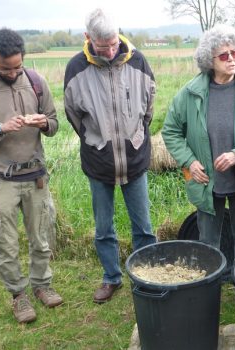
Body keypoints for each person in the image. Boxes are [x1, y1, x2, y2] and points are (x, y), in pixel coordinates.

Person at [0, 28, 62, 323]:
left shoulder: (35, 81)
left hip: (35, 174)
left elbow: (54, 123)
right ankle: (19, 296)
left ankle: (43, 285)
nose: (14, 72)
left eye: (18, 66)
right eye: (7, 68)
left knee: (41, 236)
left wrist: (44, 123)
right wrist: (0, 129)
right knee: (7, 242)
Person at [162, 25, 235, 274]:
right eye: (224, 55)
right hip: (207, 183)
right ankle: (208, 293)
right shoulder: (190, 93)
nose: (232, 59)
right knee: (208, 244)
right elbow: (171, 131)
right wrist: (190, 162)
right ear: (209, 60)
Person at [63, 8, 157, 303]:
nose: (111, 50)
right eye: (104, 47)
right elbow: (74, 116)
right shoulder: (76, 69)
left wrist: (136, 138)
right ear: (87, 38)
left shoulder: (139, 60)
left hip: (135, 158)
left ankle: (147, 276)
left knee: (143, 226)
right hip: (98, 160)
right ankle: (111, 278)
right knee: (104, 227)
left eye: (114, 43)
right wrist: (97, 141)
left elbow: (149, 106)